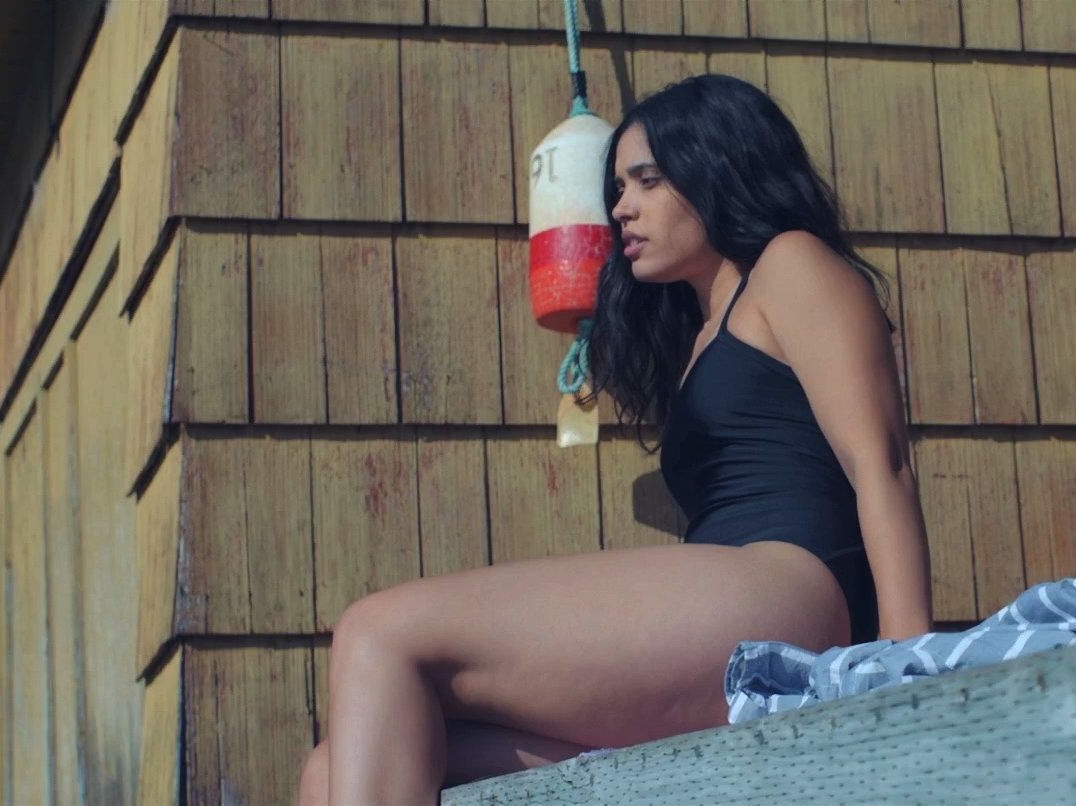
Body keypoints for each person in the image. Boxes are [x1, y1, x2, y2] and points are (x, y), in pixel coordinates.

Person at [295, 73, 933, 805]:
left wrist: (906, 672)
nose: (621, 207)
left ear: (719, 168)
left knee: (379, 632)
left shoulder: (791, 264)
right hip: (722, 620)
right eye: (618, 187)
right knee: (337, 764)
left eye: (648, 180)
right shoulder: (701, 331)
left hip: (789, 598)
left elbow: (881, 464)